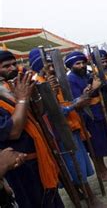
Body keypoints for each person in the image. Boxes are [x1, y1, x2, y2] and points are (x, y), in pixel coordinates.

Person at [28, 48, 104, 207]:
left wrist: (80, 98)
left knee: (79, 165)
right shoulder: (38, 85)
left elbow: (64, 102)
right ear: (38, 67)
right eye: (47, 65)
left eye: (51, 64)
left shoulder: (54, 80)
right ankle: (90, 198)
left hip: (70, 127)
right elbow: (50, 112)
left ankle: (84, 194)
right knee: (74, 167)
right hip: (59, 134)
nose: (51, 68)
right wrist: (75, 104)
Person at [0, 49, 64, 207]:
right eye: (6, 66)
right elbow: (13, 132)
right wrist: (22, 100)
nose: (12, 68)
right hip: (20, 169)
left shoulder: (13, 88)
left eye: (14, 64)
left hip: (39, 159)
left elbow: (39, 113)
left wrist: (35, 95)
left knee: (52, 199)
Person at [65, 51, 107, 181]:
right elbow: (81, 100)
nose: (82, 66)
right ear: (71, 66)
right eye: (78, 64)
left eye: (83, 63)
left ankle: (104, 169)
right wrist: (95, 88)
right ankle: (101, 173)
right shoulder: (71, 79)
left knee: (101, 143)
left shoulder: (85, 75)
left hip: (97, 112)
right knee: (95, 146)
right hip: (88, 116)